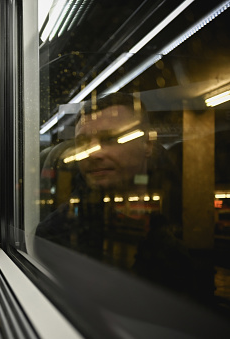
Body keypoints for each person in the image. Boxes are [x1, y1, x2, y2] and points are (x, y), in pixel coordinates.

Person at [35, 92, 199, 293]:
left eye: (112, 138)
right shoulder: (57, 234)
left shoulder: (178, 223)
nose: (93, 152)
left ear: (147, 144)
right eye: (83, 142)